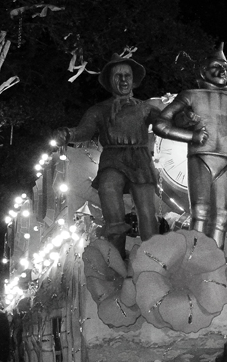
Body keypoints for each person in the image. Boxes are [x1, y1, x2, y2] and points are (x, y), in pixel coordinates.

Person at [56, 53, 165, 258]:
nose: (123, 80)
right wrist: (69, 133)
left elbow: (163, 125)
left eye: (127, 75)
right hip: (112, 158)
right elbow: (85, 131)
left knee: (146, 211)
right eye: (118, 76)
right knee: (108, 186)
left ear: (133, 79)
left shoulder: (145, 108)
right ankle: (116, 253)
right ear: (110, 81)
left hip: (140, 159)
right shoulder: (99, 110)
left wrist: (182, 122)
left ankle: (153, 257)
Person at [153, 43, 227, 249]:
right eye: (216, 66)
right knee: (200, 212)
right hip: (201, 157)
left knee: (221, 216)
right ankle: (194, 259)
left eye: (225, 67)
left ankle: (215, 261)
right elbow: (160, 123)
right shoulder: (191, 95)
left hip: (225, 161)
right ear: (203, 70)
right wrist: (191, 135)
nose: (222, 71)